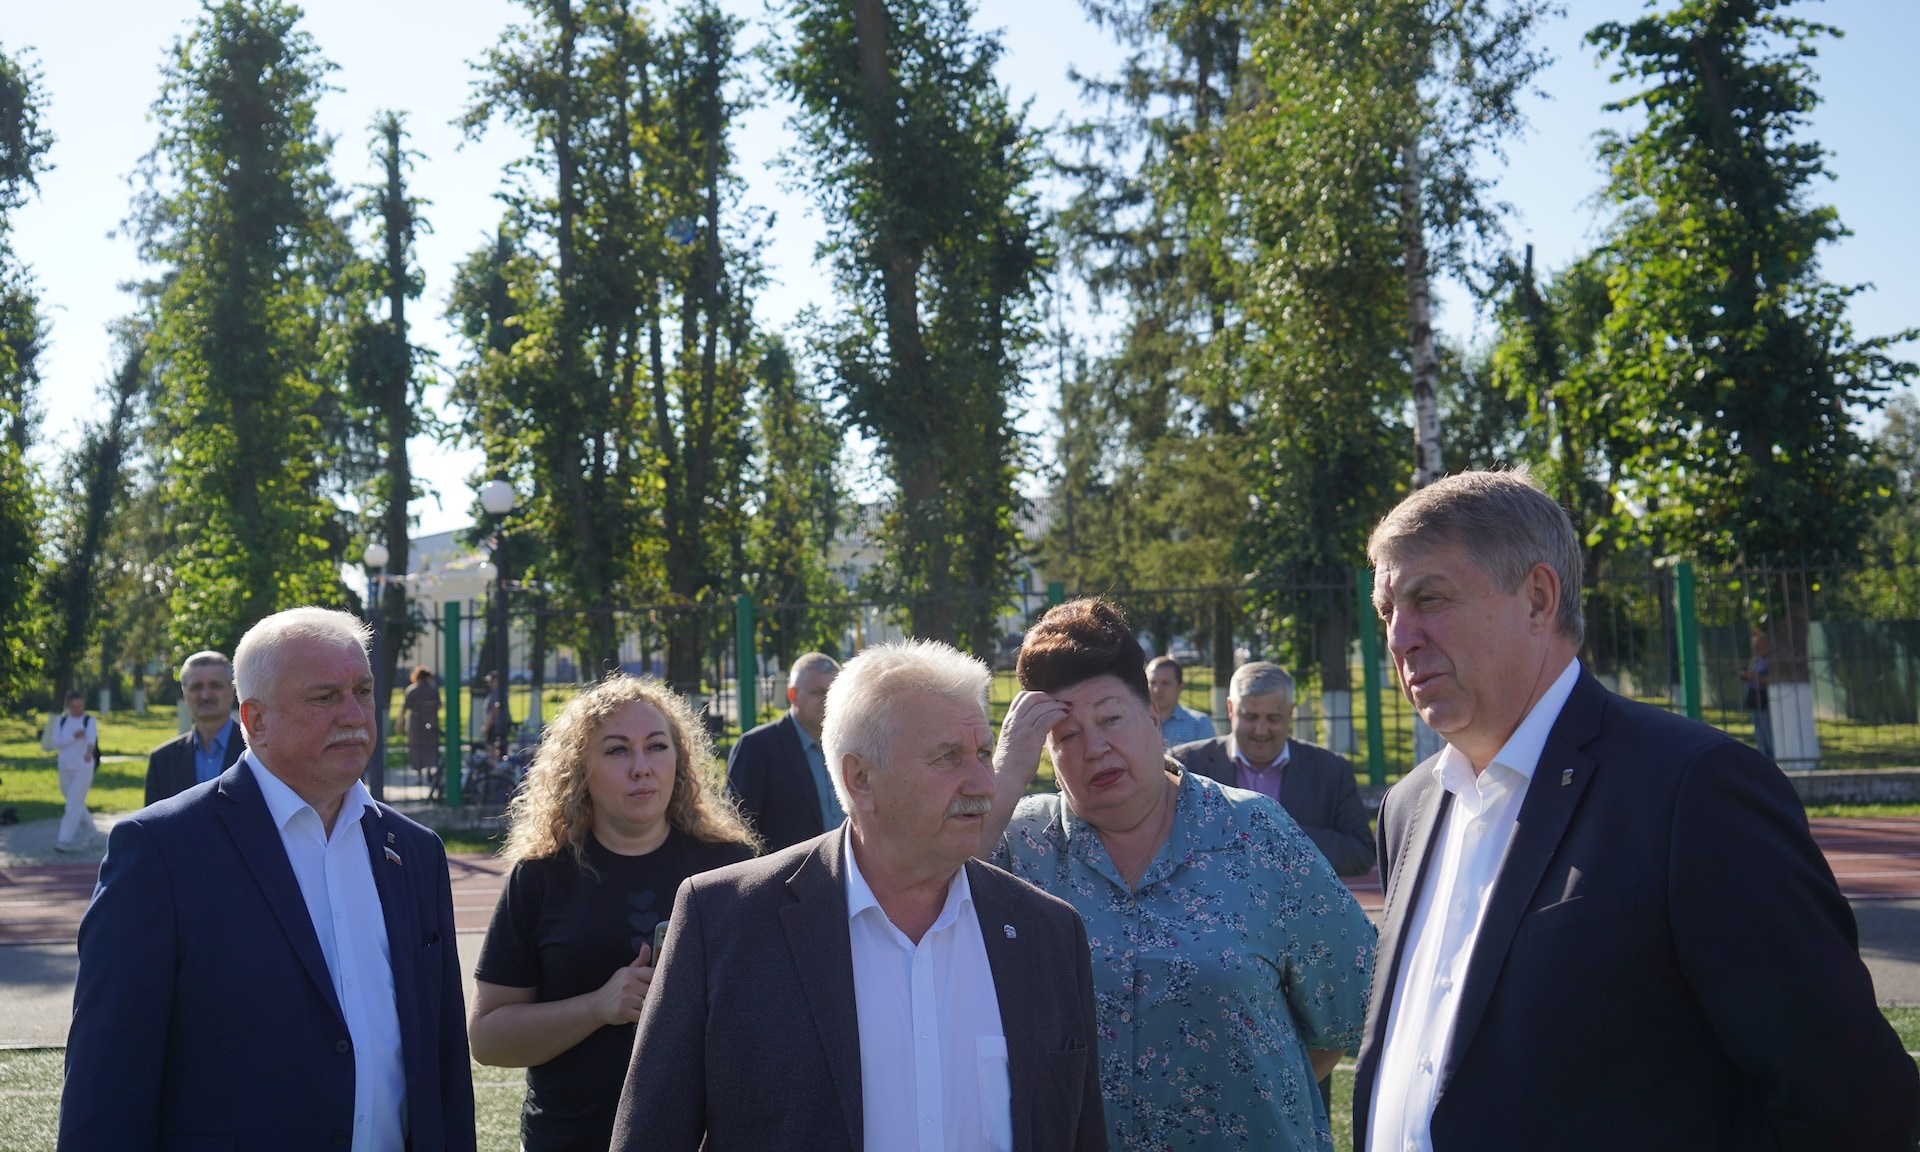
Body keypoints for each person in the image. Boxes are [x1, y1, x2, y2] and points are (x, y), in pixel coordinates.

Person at [1355, 469, 1919, 1152]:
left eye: (1429, 598)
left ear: (1538, 598)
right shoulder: (1409, 808)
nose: (1400, 638)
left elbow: (1852, 1102)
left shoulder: (1693, 788)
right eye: (1388, 611)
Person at [611, 639, 1107, 1152]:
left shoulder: (1047, 932)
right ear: (860, 779)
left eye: (984, 754)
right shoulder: (725, 922)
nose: (983, 783)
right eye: (949, 757)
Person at [59, 607, 477, 1152]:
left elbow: (444, 1066)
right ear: (255, 721)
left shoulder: (416, 853)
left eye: (363, 690)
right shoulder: (161, 850)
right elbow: (107, 1082)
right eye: (324, 697)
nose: (354, 714)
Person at [985, 599, 1374, 1151]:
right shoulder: (1018, 845)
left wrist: (1245, 1094)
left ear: (1152, 715)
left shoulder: (1254, 833)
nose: (1095, 747)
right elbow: (921, 915)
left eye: (1111, 718)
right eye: (1066, 736)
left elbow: (1352, 1008)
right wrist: (1003, 778)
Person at [470, 675, 760, 1152]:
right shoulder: (541, 877)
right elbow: (488, 1039)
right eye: (617, 750)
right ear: (579, 769)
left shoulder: (732, 866)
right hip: (570, 1139)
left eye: (657, 746)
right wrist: (599, 1007)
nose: (642, 768)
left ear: (680, 760)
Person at [1170, 661, 1375, 876]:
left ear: (1291, 712)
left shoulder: (1330, 770)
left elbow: (1360, 854)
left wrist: (1287, 834)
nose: (1261, 730)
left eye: (1273, 718)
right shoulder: (1187, 765)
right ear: (1230, 709)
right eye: (1250, 717)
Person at [726, 652, 843, 851]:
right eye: (817, 692)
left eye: (833, 692)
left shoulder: (851, 745)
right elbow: (738, 830)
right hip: (785, 869)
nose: (827, 700)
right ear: (792, 695)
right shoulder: (757, 747)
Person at [144, 650, 244, 805]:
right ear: (184, 693)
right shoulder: (162, 761)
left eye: (215, 685)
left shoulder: (256, 752)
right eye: (196, 687)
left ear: (233, 690)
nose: (205, 695)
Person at [41, 691, 99, 853]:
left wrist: (89, 751)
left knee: (72, 806)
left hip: (83, 766)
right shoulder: (61, 721)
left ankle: (63, 840)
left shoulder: (89, 720)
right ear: (67, 706)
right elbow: (56, 743)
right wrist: (73, 737)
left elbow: (91, 738)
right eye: (74, 706)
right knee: (75, 802)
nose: (77, 709)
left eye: (80, 705)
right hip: (65, 766)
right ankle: (91, 831)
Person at [1146, 655, 1213, 747]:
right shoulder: (1136, 721)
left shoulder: (1199, 724)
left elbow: (1210, 756)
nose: (1157, 689)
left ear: (1180, 687)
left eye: (1165, 683)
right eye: (1152, 683)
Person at [402, 666, 443, 783]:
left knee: (416, 748)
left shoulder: (411, 690)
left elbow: (405, 707)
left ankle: (419, 776)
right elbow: (439, 705)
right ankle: (429, 770)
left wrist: (399, 723)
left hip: (415, 723)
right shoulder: (433, 689)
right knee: (430, 747)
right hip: (431, 722)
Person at [1739, 627, 1774, 760]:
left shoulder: (1771, 661)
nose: (1758, 648)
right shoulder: (1755, 661)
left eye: (1760, 644)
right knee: (1760, 735)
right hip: (1755, 701)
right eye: (1755, 645)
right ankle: (1764, 759)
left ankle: (1772, 758)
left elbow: (1771, 679)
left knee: (1769, 735)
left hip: (1767, 701)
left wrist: (1752, 676)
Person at [482, 671, 514, 760]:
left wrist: (486, 727)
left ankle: (495, 763)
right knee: (500, 747)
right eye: (490, 681)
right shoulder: (501, 693)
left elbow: (495, 709)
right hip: (500, 725)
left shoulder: (496, 694)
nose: (491, 683)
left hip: (494, 725)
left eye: (493, 681)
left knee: (491, 748)